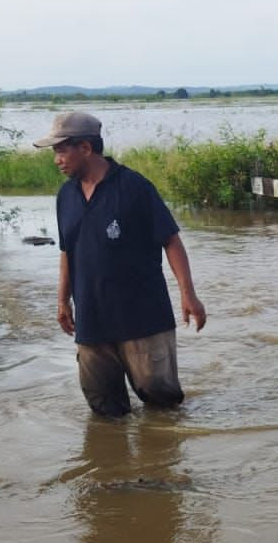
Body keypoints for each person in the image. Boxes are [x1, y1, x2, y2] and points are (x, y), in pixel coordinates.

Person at [34, 111, 206, 416]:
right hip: (92, 321)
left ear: (85, 148)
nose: (57, 160)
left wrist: (188, 294)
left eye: (61, 150)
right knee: (104, 411)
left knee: (162, 405)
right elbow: (67, 252)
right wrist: (62, 301)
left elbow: (171, 240)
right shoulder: (66, 196)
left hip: (143, 319)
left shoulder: (134, 188)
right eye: (55, 152)